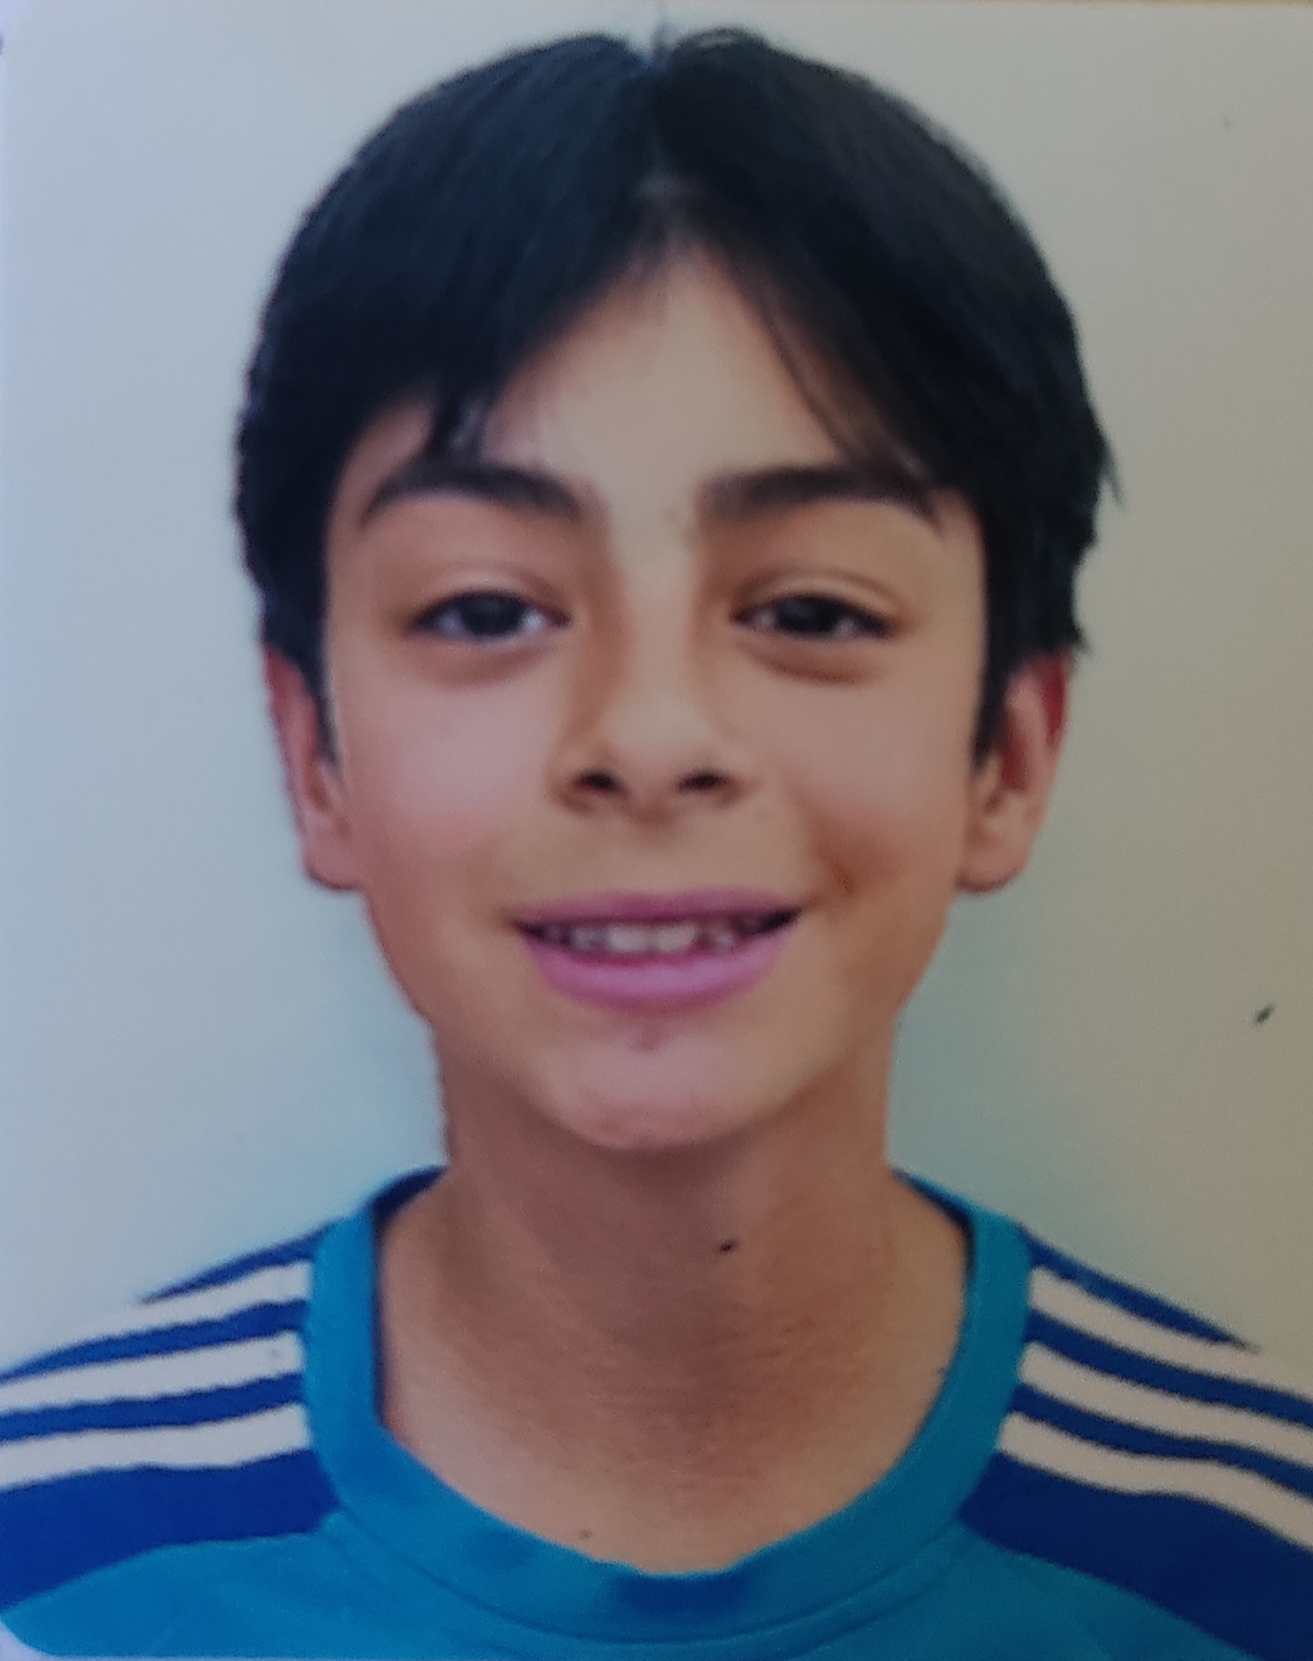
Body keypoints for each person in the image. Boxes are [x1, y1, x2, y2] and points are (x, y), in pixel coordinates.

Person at [1, 25, 1309, 1661]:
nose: (647, 734)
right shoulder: (45, 1571)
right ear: (313, 751)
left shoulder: (1259, 1576)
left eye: (810, 609)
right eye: (485, 608)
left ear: (1008, 753)